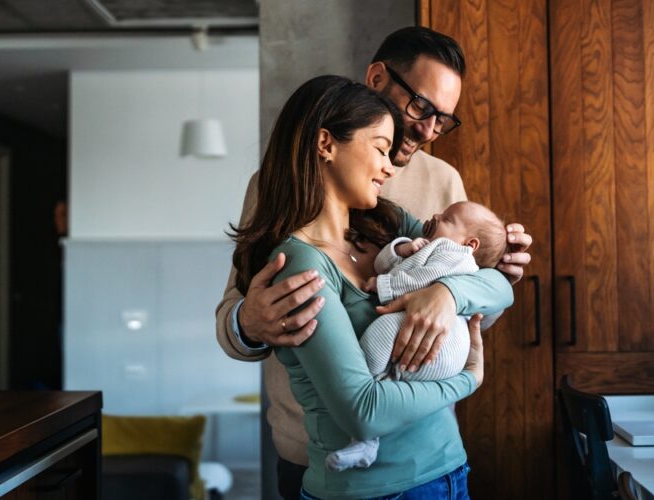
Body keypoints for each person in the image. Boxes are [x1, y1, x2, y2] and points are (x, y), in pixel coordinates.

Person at [216, 27, 533, 497]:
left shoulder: (434, 189)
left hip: (433, 453)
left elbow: (468, 306)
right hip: (318, 455)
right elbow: (234, 317)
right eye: (422, 108)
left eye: (444, 120)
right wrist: (251, 322)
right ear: (378, 77)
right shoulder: (278, 201)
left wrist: (454, 291)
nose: (429, 131)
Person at [326, 201, 508, 473]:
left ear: (470, 244)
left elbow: (423, 279)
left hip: (442, 343)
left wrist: (384, 285)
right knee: (390, 377)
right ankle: (368, 440)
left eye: (447, 218)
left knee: (379, 334)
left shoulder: (454, 254)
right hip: (443, 352)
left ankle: (365, 433)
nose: (435, 215)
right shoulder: (430, 246)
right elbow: (385, 263)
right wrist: (403, 248)